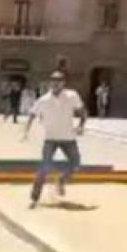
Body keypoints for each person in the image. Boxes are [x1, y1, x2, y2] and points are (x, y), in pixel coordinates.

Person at [22, 70, 87, 209]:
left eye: (59, 81)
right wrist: (25, 131)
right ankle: (34, 198)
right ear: (50, 83)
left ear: (63, 83)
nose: (56, 84)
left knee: (76, 163)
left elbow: (82, 112)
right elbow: (32, 114)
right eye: (54, 81)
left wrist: (81, 125)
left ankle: (61, 180)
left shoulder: (72, 96)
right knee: (44, 167)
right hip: (50, 138)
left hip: (68, 137)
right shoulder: (43, 100)